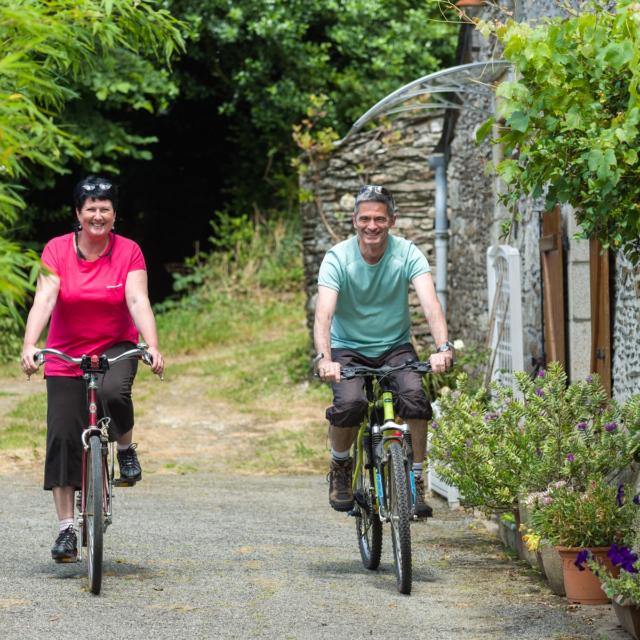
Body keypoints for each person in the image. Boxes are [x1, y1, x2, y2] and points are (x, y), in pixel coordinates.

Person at [21, 176, 165, 563]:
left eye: (105, 209)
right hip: (65, 351)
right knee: (63, 437)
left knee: (113, 392)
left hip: (115, 346)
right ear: (78, 215)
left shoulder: (129, 251)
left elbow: (137, 300)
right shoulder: (55, 250)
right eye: (91, 209)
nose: (98, 216)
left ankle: (125, 448)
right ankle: (67, 528)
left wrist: (150, 345)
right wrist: (30, 345)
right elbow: (44, 299)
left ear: (114, 216)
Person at [314, 184, 453, 515]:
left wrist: (443, 348)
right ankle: (341, 467)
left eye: (379, 218)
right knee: (350, 402)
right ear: (354, 220)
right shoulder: (338, 258)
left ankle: (416, 480)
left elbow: (431, 304)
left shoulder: (407, 253)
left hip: (394, 347)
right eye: (365, 219)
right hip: (347, 348)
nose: (371, 225)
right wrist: (325, 358)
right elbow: (324, 314)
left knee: (415, 399)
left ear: (392, 220)